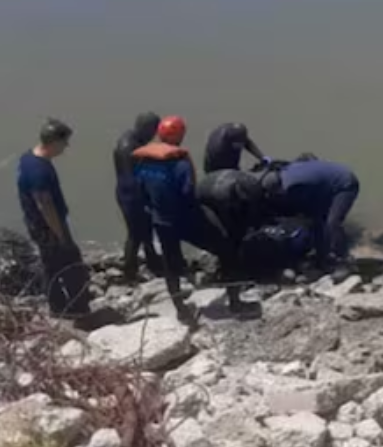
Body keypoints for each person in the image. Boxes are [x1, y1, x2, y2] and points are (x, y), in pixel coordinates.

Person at [133, 116, 253, 321]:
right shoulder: (180, 162)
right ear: (179, 135)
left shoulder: (143, 161)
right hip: (186, 218)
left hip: (161, 221)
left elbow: (141, 191)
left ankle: (181, 310)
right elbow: (189, 192)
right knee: (226, 247)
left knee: (171, 265)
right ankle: (234, 302)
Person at [16, 118, 92, 317]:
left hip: (35, 223)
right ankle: (79, 309)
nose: (66, 147)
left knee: (51, 265)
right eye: (64, 142)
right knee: (72, 265)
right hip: (48, 227)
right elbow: (45, 206)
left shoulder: (28, 158)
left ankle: (57, 307)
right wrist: (60, 235)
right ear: (54, 142)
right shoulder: (39, 171)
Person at [275, 158, 361, 270]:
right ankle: (322, 257)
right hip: (325, 185)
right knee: (316, 221)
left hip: (345, 184)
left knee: (332, 223)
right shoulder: (287, 173)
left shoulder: (291, 185)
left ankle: (343, 261)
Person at [113, 111, 162, 282]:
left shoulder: (136, 139)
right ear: (145, 128)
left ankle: (153, 262)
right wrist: (145, 199)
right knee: (135, 234)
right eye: (153, 131)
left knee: (146, 229)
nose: (153, 135)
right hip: (130, 195)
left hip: (129, 191)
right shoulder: (129, 147)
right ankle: (129, 272)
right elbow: (131, 178)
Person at [195, 168, 281, 249]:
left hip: (218, 182)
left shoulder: (251, 181)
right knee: (225, 234)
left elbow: (256, 202)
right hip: (204, 199)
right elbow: (228, 220)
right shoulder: (223, 196)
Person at [203, 123, 267, 174]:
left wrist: (262, 157)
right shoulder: (219, 149)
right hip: (216, 168)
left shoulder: (235, 134)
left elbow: (247, 142)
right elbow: (232, 172)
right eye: (238, 143)